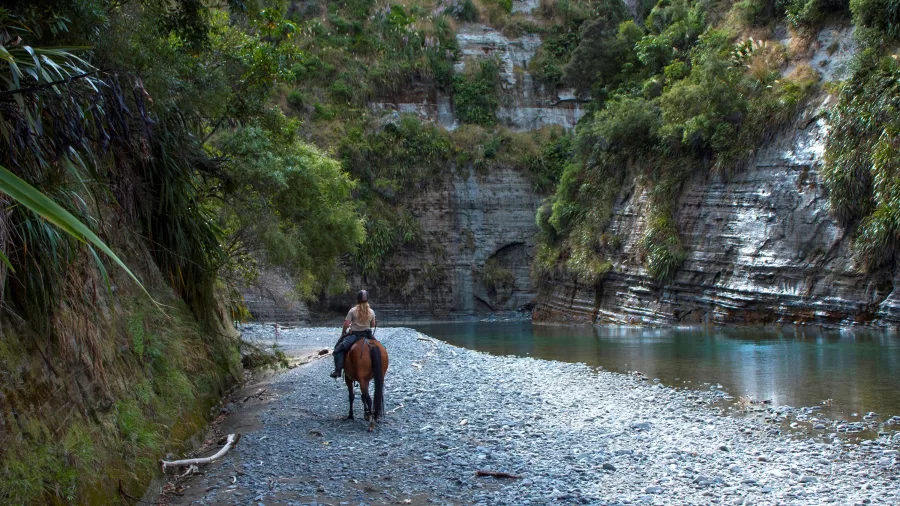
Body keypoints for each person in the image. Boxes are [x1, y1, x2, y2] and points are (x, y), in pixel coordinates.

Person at [330, 289, 377, 378]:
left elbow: (347, 324)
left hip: (354, 335)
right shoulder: (371, 311)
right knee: (381, 347)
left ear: (358, 299)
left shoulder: (352, 310)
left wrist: (344, 332)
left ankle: (338, 370)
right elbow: (373, 325)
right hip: (367, 334)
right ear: (367, 299)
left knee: (338, 349)